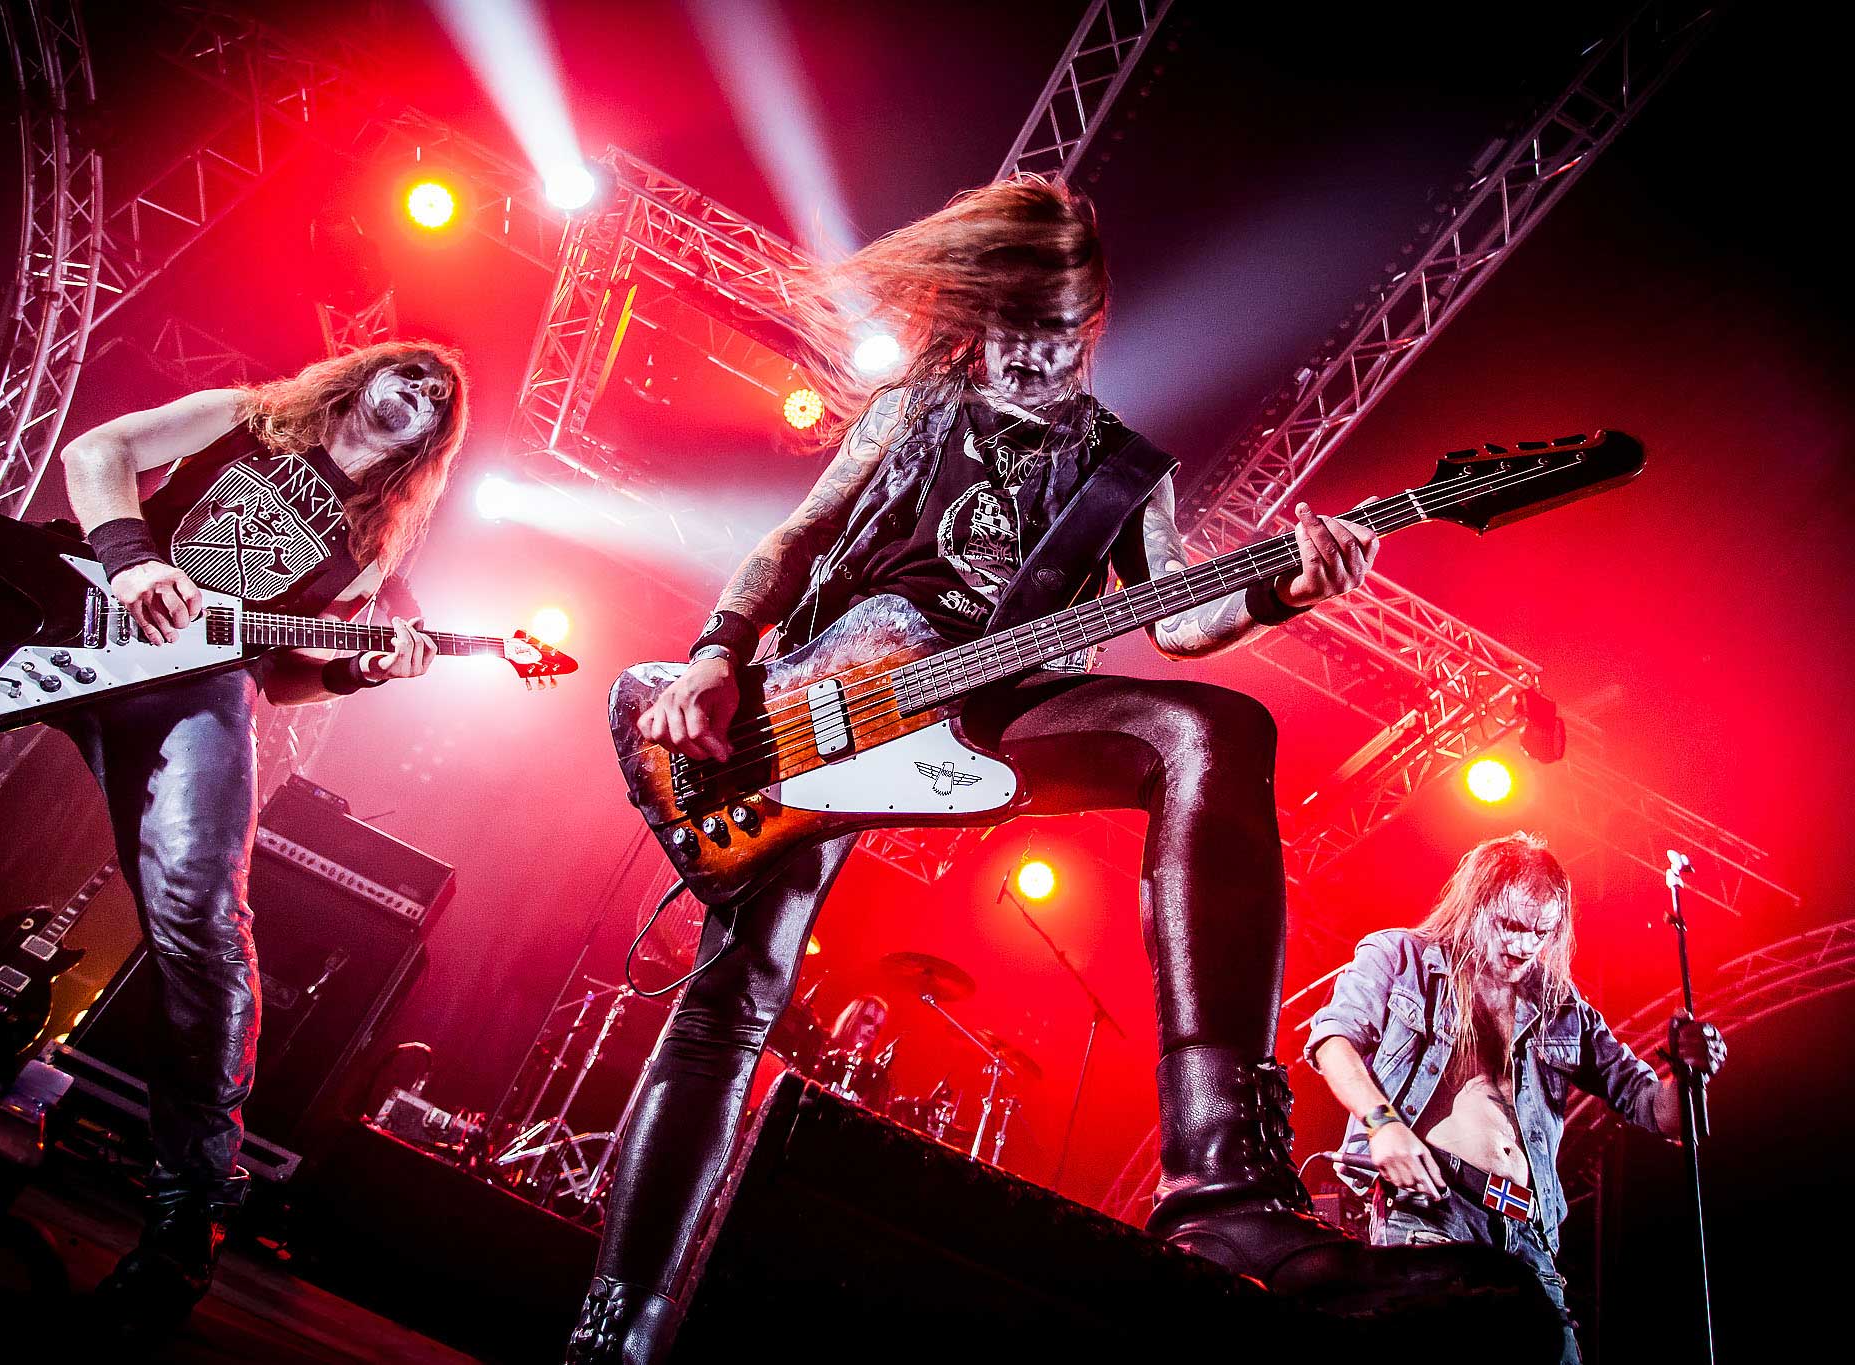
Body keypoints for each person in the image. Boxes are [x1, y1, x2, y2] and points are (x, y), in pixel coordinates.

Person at [566, 177, 1549, 1362]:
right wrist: (716, 656)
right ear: (976, 310)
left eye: (1062, 334)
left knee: (1212, 730)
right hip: (822, 708)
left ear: (1092, 321)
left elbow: (1178, 623)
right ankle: (619, 1327)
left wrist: (1284, 586)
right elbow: (798, 535)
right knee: (731, 1000)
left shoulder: (1121, 468)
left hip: (993, 715)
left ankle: (1220, 1190)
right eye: (1015, 330)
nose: (1037, 359)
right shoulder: (913, 407)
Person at [0, 340, 469, 1329]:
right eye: (408, 372)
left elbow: (287, 673)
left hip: (196, 684)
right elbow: (97, 452)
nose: (416, 393)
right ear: (364, 374)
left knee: (203, 921)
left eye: (436, 398)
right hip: (66, 602)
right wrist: (129, 564)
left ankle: (186, 1215)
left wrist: (362, 667)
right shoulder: (249, 414)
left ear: (432, 440)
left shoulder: (376, 544)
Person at [1306, 831, 1728, 1362]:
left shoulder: (1561, 1007)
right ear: (1476, 903)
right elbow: (1332, 1040)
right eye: (1510, 925)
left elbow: (1658, 1112)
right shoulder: (1400, 955)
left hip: (1529, 1235)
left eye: (1541, 933)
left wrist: (1690, 1074)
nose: (1524, 946)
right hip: (1432, 1215)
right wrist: (1383, 1123)